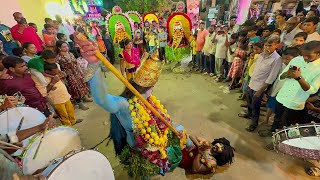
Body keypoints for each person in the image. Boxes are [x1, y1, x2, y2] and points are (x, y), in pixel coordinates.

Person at [73, 34, 234, 178]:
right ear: (145, 87)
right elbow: (102, 99)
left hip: (159, 141)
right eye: (152, 87)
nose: (154, 89)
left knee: (180, 128)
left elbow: (162, 121)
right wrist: (94, 66)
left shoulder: (149, 100)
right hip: (142, 151)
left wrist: (174, 132)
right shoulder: (124, 104)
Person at [264, 41, 320, 139]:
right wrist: (287, 74)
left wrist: (299, 78)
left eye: (308, 56)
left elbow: (312, 90)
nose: (305, 58)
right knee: (277, 119)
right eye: (303, 55)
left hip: (295, 102)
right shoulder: (297, 59)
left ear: (318, 54)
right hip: (282, 96)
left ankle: (278, 142)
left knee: (284, 124)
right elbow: (281, 76)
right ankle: (272, 133)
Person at [240, 36, 282, 132]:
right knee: (249, 102)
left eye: (270, 46)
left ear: (276, 45)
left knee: (256, 106)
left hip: (259, 87)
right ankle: (249, 114)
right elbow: (255, 70)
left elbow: (271, 77)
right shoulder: (261, 55)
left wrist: (261, 90)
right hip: (252, 83)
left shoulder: (277, 59)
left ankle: (254, 123)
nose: (267, 48)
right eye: (266, 45)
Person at [263, 47, 300, 126]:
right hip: (275, 90)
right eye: (283, 59)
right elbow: (277, 78)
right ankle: (266, 120)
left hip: (283, 94)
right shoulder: (282, 65)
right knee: (270, 105)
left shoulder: (297, 70)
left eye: (287, 59)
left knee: (278, 112)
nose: (285, 61)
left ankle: (273, 125)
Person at [56, 41, 90, 110]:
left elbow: (76, 63)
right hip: (70, 76)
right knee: (75, 89)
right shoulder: (59, 58)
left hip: (76, 73)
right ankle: (80, 103)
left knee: (81, 85)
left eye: (67, 46)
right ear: (59, 48)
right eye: (64, 47)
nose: (66, 48)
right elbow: (60, 69)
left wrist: (80, 71)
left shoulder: (70, 54)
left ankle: (84, 97)